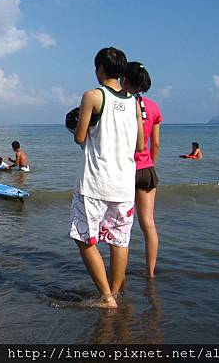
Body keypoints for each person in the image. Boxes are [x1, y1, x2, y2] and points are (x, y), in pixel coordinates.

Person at [69, 47, 144, 309]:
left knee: (84, 238)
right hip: (124, 185)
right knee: (119, 240)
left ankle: (107, 297)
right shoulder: (134, 102)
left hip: (95, 182)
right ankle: (114, 292)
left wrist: (78, 126)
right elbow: (140, 146)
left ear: (100, 69)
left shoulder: (92, 96)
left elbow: (80, 137)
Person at [122, 62, 163, 278]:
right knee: (148, 224)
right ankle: (150, 273)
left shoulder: (121, 105)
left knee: (123, 227)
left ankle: (121, 273)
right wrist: (149, 163)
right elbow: (155, 143)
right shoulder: (154, 107)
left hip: (125, 170)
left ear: (124, 80)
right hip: (147, 169)